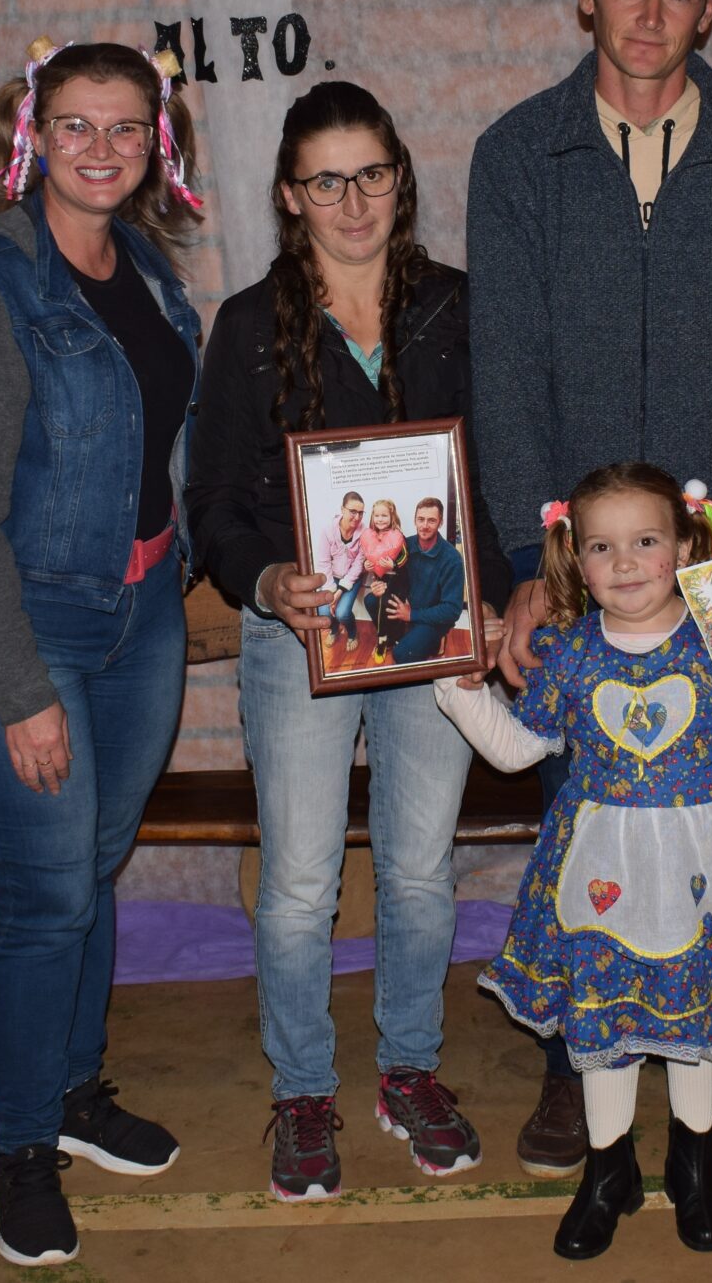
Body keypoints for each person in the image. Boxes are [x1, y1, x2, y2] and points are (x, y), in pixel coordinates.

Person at [466, 0, 712, 1172]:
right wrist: (527, 559)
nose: (651, 16)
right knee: (589, 805)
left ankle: (707, 1059)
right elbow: (498, 370)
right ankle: (581, 1059)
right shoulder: (518, 155)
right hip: (581, 555)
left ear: (709, 7)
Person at [0, 37, 206, 1268]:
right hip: (16, 626)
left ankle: (76, 1097)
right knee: (43, 897)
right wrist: (21, 691)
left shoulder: (144, 265)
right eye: (75, 126)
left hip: (137, 622)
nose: (101, 149)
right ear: (28, 136)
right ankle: (22, 1148)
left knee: (92, 865)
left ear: (157, 145)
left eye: (126, 128)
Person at [187, 80, 512, 1201]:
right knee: (300, 883)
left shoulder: (462, 307)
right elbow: (215, 498)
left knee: (422, 872)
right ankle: (304, 1090)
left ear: (400, 179)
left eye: (371, 173)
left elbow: (502, 478)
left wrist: (499, 603)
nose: (353, 199)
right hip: (303, 642)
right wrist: (266, 579)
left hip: (433, 634)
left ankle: (408, 1072)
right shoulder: (247, 325)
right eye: (326, 180)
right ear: (290, 195)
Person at [436, 462, 712, 1260]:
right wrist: (457, 687)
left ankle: (694, 1162)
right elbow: (516, 748)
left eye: (645, 541)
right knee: (605, 1018)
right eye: (603, 547)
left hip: (703, 874)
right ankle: (608, 1174)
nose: (626, 562)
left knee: (696, 1018)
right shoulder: (569, 652)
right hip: (596, 877)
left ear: (684, 543)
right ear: (577, 557)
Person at [383, 496, 467, 662]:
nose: (425, 526)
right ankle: (403, 633)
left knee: (400, 655)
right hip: (411, 606)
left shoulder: (453, 559)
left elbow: (452, 610)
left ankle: (436, 640)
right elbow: (398, 575)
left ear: (440, 523)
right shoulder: (406, 544)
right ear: (415, 519)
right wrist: (382, 583)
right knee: (372, 600)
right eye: (421, 519)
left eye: (431, 521)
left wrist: (412, 615)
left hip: (434, 619)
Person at [312, 492, 367, 665]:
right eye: (352, 511)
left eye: (360, 513)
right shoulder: (327, 530)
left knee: (342, 612)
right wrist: (331, 591)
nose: (357, 517)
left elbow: (358, 566)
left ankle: (352, 633)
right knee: (324, 612)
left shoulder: (365, 533)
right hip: (331, 578)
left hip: (352, 578)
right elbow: (323, 563)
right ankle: (334, 630)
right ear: (342, 509)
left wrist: (341, 591)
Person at [354, 498, 408, 661]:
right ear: (372, 517)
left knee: (384, 602)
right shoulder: (369, 536)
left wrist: (394, 564)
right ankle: (390, 635)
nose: (380, 519)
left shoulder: (398, 535)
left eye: (384, 515)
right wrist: (367, 565)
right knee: (371, 601)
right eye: (377, 515)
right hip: (381, 581)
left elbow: (405, 558)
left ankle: (383, 640)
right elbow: (367, 558)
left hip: (399, 582)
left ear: (392, 517)